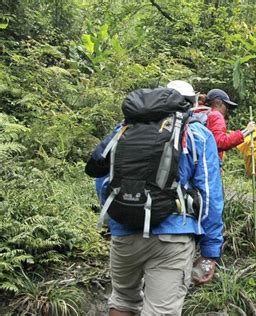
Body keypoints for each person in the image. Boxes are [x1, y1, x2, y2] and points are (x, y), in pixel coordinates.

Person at [86, 81, 224, 316]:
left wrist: (119, 217)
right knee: (162, 310)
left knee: (121, 300)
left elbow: (103, 180)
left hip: (125, 231)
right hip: (173, 236)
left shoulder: (124, 130)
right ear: (191, 104)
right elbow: (209, 194)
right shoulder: (198, 134)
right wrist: (211, 249)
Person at [204, 89, 256, 163]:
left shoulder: (205, 115)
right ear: (218, 103)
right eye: (226, 106)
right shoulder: (216, 115)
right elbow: (220, 142)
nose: (227, 109)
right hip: (209, 165)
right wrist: (247, 131)